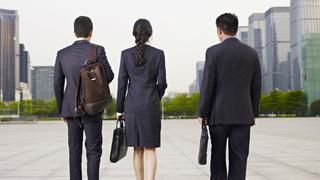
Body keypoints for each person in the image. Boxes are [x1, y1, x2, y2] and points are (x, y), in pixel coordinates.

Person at [198, 13, 261, 180]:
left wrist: (202, 112)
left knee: (217, 160)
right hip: (243, 116)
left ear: (219, 30)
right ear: (236, 29)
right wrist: (253, 112)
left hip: (218, 116)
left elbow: (207, 85)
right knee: (240, 160)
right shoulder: (252, 53)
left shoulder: (213, 52)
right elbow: (256, 86)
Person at [54, 16, 114, 180]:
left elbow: (57, 85)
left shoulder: (62, 54)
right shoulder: (98, 50)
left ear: (74, 32)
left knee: (74, 151)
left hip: (70, 110)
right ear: (91, 32)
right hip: (92, 108)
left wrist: (61, 111)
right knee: (93, 150)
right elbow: (109, 76)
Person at [116, 19, 167, 180]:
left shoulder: (125, 54)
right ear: (150, 33)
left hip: (132, 106)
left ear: (134, 33)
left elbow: (122, 84)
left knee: (137, 149)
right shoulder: (159, 54)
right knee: (151, 148)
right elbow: (163, 83)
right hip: (151, 106)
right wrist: (154, 97)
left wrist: (119, 109)